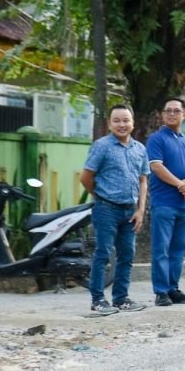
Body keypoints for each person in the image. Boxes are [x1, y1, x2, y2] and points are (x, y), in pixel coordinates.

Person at [80, 104, 149, 315]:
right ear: (109, 123)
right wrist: (101, 196)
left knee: (127, 255)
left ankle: (121, 298)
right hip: (106, 209)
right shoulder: (102, 146)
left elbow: (143, 181)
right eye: (117, 120)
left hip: (131, 211)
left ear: (133, 123)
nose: (122, 124)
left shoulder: (140, 149)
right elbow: (85, 178)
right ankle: (98, 300)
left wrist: (140, 210)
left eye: (126, 120)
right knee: (103, 254)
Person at [146, 97, 185, 307]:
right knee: (161, 248)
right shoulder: (156, 139)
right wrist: (181, 184)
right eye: (167, 110)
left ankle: (173, 288)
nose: (171, 114)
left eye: (176, 111)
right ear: (162, 114)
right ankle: (161, 292)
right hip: (164, 202)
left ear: (184, 115)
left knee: (179, 249)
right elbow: (156, 167)